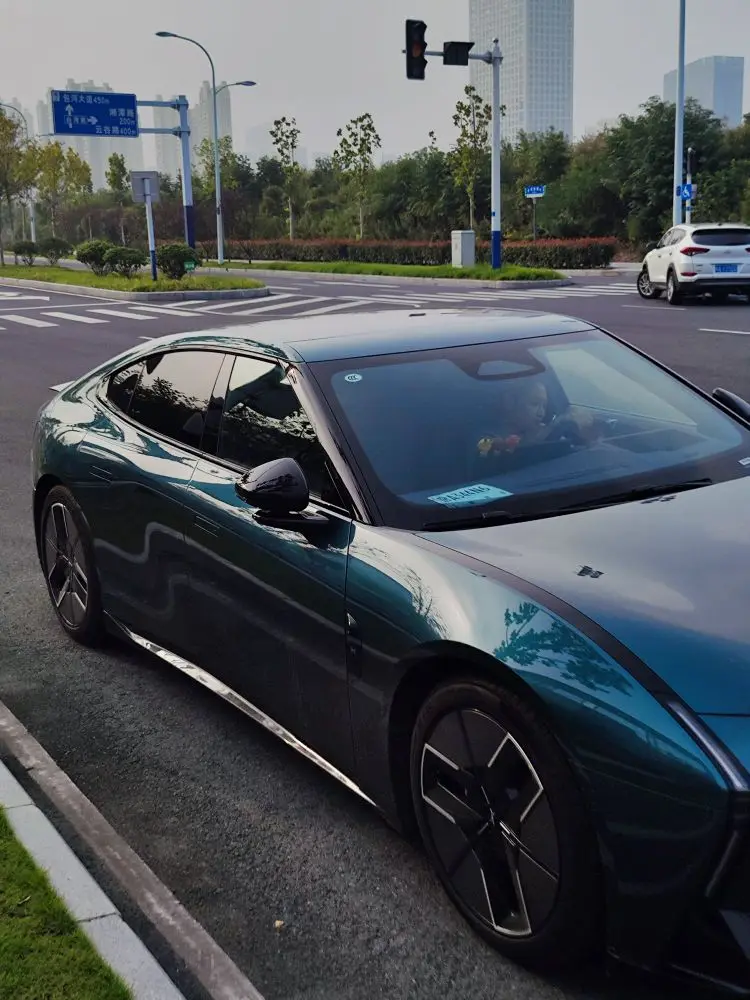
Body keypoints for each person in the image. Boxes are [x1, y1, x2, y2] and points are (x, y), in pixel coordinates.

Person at [476, 377, 598, 458]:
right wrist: (554, 427)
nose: (541, 413)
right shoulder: (485, 436)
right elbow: (516, 455)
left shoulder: (539, 430)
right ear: (510, 402)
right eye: (534, 404)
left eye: (544, 406)